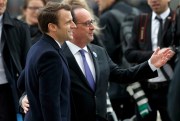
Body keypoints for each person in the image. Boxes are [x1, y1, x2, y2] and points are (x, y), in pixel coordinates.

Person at [20, 4, 175, 121]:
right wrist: (25, 98)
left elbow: (121, 75)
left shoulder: (98, 51)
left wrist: (151, 64)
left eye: (92, 22)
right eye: (87, 23)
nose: (92, 27)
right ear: (73, 26)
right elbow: (31, 81)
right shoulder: (56, 53)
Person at [124, 0, 180, 120]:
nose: (154, 1)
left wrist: (171, 52)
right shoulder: (141, 21)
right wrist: (154, 56)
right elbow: (129, 53)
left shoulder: (176, 19)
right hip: (146, 88)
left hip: (170, 87)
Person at [23, 1, 76, 121]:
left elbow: (21, 81)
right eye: (68, 22)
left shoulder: (37, 47)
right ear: (52, 27)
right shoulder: (50, 55)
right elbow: (50, 105)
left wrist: (25, 98)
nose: (74, 25)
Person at [94, 0, 141, 119]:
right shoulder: (137, 12)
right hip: (138, 83)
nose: (96, 1)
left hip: (117, 88)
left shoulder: (106, 18)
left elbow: (106, 55)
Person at [0, 0, 31, 121]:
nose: (1, 2)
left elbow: (27, 65)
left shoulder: (20, 28)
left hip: (8, 92)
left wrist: (25, 93)